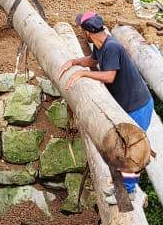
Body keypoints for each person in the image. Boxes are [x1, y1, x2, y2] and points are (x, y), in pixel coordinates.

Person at [59, 11, 154, 203]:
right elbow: (93, 60)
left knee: (130, 150)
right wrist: (75, 62)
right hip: (127, 105)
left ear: (87, 33)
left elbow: (110, 76)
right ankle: (122, 185)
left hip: (138, 105)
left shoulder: (112, 47)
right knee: (122, 147)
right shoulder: (102, 44)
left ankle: (128, 192)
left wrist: (83, 75)